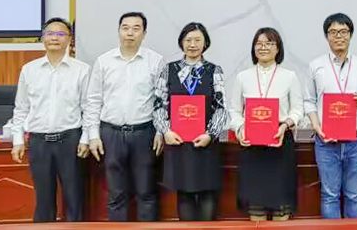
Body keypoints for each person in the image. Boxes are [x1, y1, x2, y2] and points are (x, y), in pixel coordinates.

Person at [10, 17, 91, 222]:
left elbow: (89, 108)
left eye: (61, 33)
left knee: (75, 198)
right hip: (39, 142)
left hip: (70, 141)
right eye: (50, 33)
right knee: (43, 200)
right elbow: (21, 108)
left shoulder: (82, 70)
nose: (55, 38)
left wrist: (85, 139)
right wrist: (18, 140)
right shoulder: (29, 70)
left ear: (69, 39)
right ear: (42, 38)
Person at [86, 12, 165, 221]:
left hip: (144, 133)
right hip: (111, 133)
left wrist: (160, 132)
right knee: (116, 194)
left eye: (136, 28)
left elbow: (162, 100)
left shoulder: (155, 61)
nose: (130, 33)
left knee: (146, 192)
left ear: (144, 34)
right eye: (125, 28)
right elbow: (93, 100)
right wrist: (93, 135)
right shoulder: (104, 61)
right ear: (119, 31)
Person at [153, 22, 227, 221]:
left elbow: (221, 107)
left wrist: (210, 134)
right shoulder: (168, 69)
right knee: (184, 193)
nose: (192, 45)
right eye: (188, 40)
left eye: (197, 40)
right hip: (177, 141)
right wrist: (166, 131)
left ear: (205, 43)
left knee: (207, 192)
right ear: (181, 43)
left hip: (206, 142)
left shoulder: (214, 70)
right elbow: (159, 104)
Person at [229, 27, 304, 221]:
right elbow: (234, 110)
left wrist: (285, 125)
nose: (263, 48)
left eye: (269, 43)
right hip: (251, 146)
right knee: (256, 206)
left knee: (280, 206)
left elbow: (298, 110)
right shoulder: (242, 77)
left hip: (279, 142)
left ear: (278, 49)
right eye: (259, 44)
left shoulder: (289, 76)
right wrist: (240, 128)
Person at [305, 13, 357, 219]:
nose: (339, 36)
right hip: (326, 140)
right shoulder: (315, 65)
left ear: (350, 35)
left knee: (354, 194)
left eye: (344, 32)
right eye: (333, 32)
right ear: (326, 36)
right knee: (329, 195)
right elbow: (309, 100)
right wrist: (316, 126)